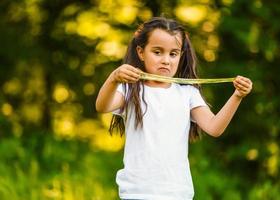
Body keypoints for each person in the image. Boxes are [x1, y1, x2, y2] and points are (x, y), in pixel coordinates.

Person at [95, 17, 252, 200]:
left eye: (173, 54)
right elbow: (102, 106)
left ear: (181, 55)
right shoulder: (130, 90)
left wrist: (237, 96)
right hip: (136, 193)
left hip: (177, 193)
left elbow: (214, 127)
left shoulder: (187, 93)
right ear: (141, 52)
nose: (166, 60)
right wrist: (114, 78)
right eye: (157, 52)